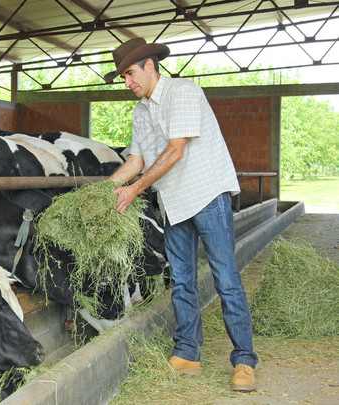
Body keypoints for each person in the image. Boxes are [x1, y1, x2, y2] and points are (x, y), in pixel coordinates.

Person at [105, 37, 258, 391]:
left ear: (149, 65)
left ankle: (245, 361)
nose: (128, 82)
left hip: (206, 195)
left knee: (226, 280)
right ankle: (188, 353)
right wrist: (103, 190)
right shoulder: (140, 111)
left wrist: (134, 189)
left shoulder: (184, 92)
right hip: (173, 203)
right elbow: (136, 161)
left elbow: (175, 152)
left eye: (130, 73)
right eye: (123, 77)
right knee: (183, 282)